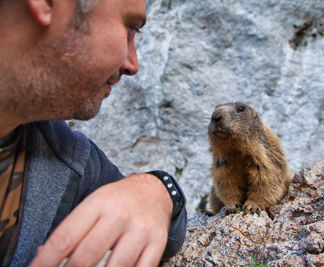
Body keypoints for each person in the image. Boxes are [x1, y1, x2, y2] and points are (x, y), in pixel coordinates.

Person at [0, 0, 187, 266]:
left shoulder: (66, 158)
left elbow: (173, 228)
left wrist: (156, 190)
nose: (133, 65)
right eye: (130, 29)